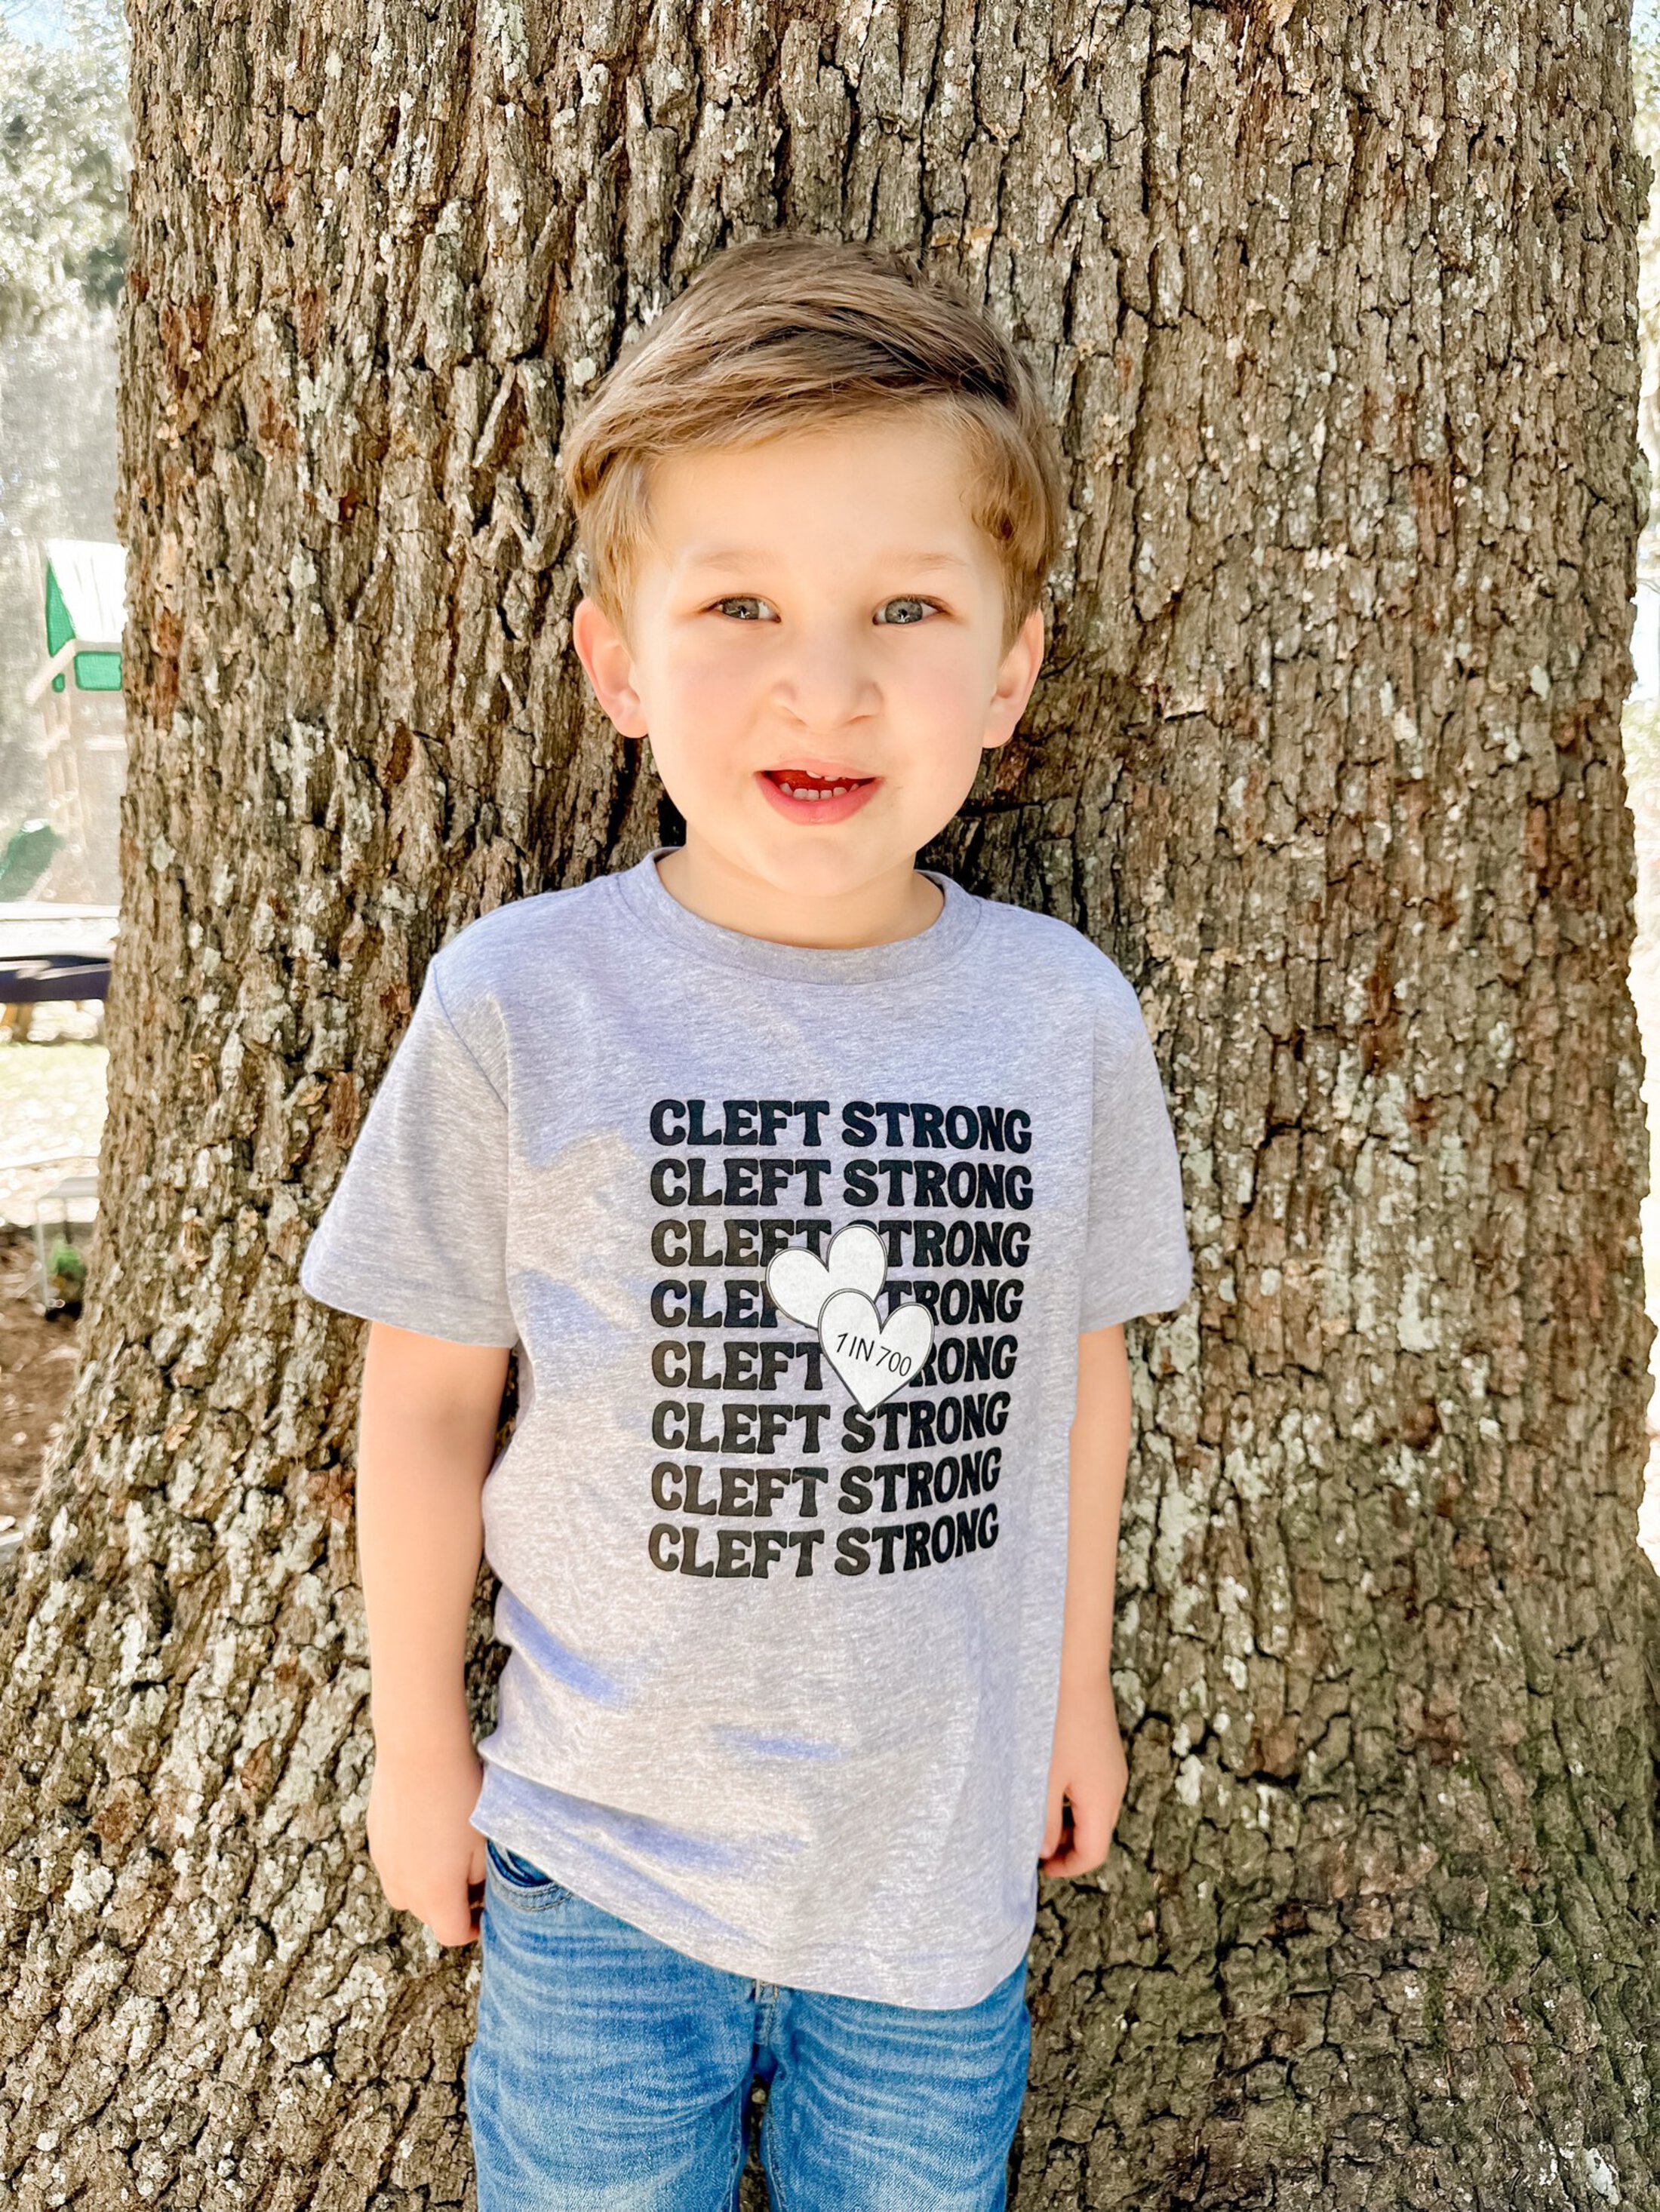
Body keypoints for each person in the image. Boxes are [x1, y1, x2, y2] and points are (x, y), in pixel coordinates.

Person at [298, 232, 1194, 2212]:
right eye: (740, 605)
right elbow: (429, 1404)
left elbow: (1081, 1382)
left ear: (1013, 664)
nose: (830, 680)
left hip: (935, 1873)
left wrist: (1077, 1699)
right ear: (617, 662)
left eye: (905, 605)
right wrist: (413, 1754)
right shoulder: (524, 1002)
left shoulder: (1059, 1020)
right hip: (598, 1865)